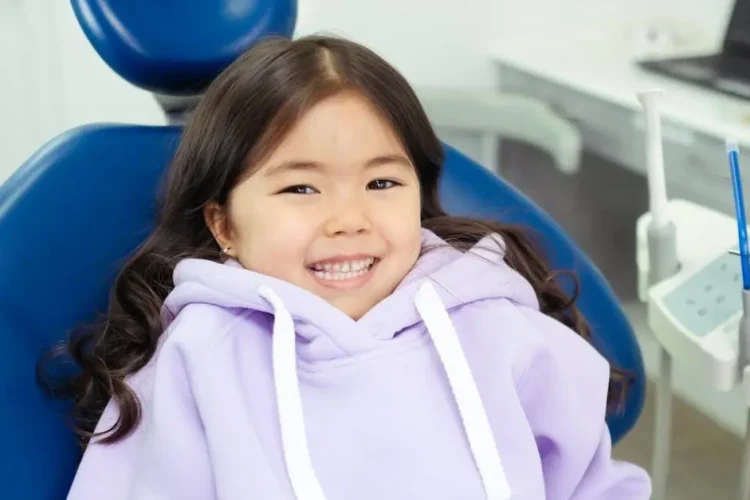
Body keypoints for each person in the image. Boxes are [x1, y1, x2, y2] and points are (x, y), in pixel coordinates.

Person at [42, 35, 650, 499]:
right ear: (224, 225)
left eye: (382, 181)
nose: (348, 219)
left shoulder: (495, 326)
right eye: (301, 190)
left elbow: (591, 484)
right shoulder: (197, 358)